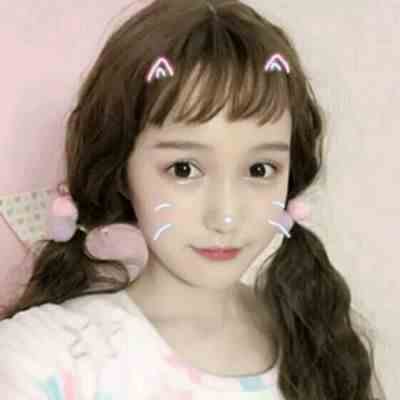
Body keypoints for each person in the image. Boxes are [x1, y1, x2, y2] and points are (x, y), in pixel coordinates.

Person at [0, 0, 386, 399]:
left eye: (260, 169)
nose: (226, 216)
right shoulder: (46, 359)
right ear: (121, 169)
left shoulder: (321, 343)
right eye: (184, 169)